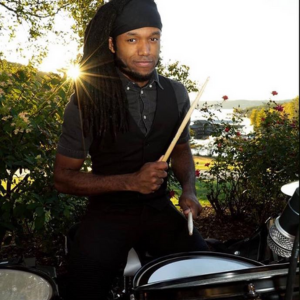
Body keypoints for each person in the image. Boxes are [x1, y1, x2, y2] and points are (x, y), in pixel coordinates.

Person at [54, 0, 209, 299]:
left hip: (160, 210)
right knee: (82, 289)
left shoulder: (176, 93)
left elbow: (181, 147)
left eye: (153, 38)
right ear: (112, 45)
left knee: (204, 275)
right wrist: (129, 182)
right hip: (108, 214)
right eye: (132, 39)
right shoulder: (87, 100)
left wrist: (189, 188)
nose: (145, 50)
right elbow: (62, 178)